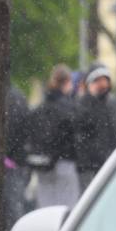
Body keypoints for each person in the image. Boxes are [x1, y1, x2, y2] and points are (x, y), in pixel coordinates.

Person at [29, 64, 80, 208]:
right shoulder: (70, 108)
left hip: (43, 164)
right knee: (67, 208)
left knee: (45, 206)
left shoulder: (41, 108)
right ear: (68, 82)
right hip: (65, 163)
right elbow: (75, 135)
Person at [75, 64, 116, 191]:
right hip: (89, 167)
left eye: (104, 80)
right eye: (97, 81)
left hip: (112, 164)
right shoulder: (83, 105)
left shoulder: (115, 105)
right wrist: (90, 98)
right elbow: (80, 128)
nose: (102, 85)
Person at [2, 85, 31, 231]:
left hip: (10, 161)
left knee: (11, 207)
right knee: (13, 205)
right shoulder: (16, 97)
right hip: (15, 160)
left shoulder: (9, 99)